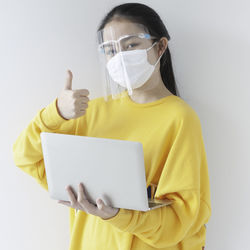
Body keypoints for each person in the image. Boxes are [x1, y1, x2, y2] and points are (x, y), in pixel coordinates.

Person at [12, 3, 211, 250]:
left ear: (160, 46)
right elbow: (25, 156)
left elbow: (181, 218)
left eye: (130, 45)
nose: (120, 57)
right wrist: (56, 113)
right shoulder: (90, 112)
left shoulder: (180, 118)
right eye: (110, 50)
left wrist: (116, 215)